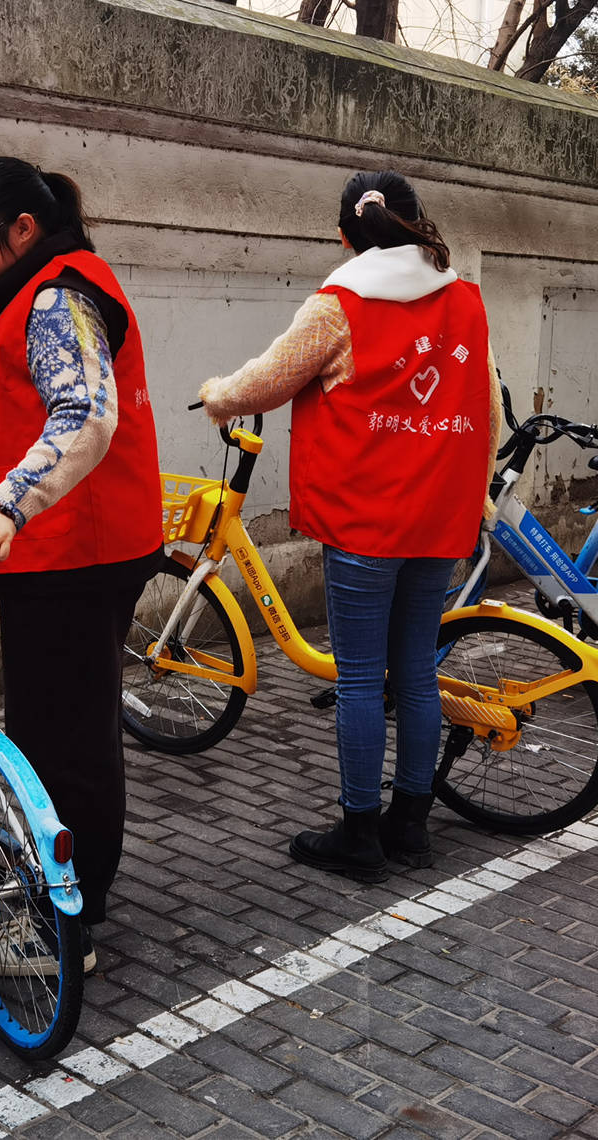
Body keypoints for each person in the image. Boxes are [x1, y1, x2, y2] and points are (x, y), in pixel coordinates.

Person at [199, 171, 499, 884]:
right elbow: (487, 406)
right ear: (418, 222)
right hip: (438, 515)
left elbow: (267, 381)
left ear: (344, 236)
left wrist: (217, 395)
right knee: (417, 671)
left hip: (367, 519)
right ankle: (412, 824)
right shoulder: (465, 299)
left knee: (362, 678)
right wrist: (477, 494)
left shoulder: (339, 304)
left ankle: (359, 831)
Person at [0, 157, 161, 971]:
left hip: (74, 554)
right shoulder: (37, 292)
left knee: (65, 743)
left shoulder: (61, 294)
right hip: (59, 552)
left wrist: (6, 503)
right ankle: (67, 895)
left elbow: (86, 412)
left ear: (21, 228)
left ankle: (70, 919)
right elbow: (31, 382)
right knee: (58, 731)